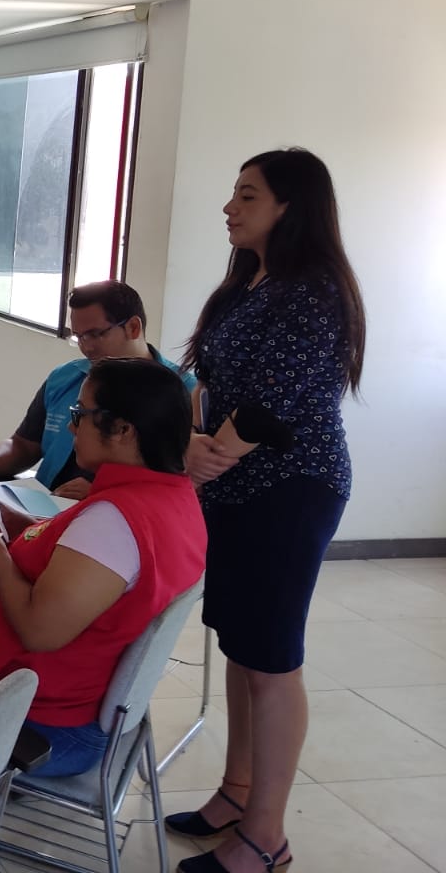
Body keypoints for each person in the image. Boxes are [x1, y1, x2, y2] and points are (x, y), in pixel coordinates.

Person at [165, 149, 366, 873]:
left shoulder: (312, 293)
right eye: (234, 193)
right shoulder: (250, 281)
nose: (230, 207)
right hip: (237, 487)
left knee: (273, 661)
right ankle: (237, 793)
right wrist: (193, 439)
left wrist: (205, 455)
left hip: (289, 488)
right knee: (242, 646)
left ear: (290, 206)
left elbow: (267, 408)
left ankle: (266, 838)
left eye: (248, 195)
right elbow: (207, 379)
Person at [0, 358, 207, 778]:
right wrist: (25, 528)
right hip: (64, 702)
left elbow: (39, 630)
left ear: (123, 429)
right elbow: (91, 564)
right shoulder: (174, 498)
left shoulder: (115, 521)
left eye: (81, 414)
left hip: (36, 722)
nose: (72, 428)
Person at [0, 280, 193, 499]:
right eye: (79, 337)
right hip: (42, 506)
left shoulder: (181, 391)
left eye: (95, 334)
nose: (87, 347)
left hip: (113, 518)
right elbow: (23, 444)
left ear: (133, 327)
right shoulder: (65, 378)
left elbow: (179, 485)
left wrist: (105, 494)